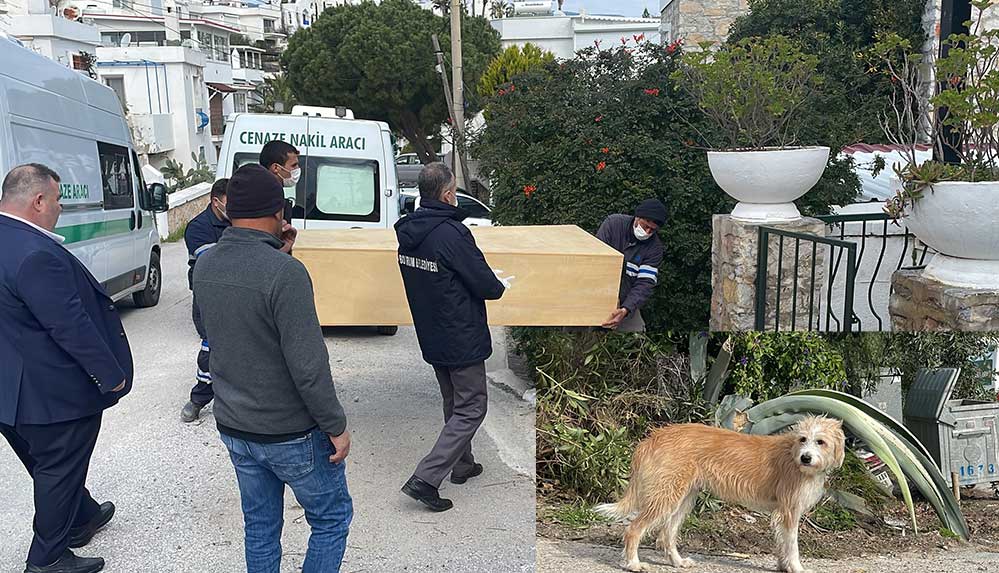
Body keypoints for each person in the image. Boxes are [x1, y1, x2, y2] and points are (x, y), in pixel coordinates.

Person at [193, 163, 351, 573]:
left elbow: (211, 327)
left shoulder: (206, 265)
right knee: (331, 519)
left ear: (229, 210)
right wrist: (336, 426)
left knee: (260, 528)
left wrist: (279, 257)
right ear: (279, 213)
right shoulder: (286, 274)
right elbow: (309, 366)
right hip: (290, 432)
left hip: (236, 428)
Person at [0, 164, 132, 573]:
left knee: (47, 460)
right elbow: (69, 325)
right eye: (57, 200)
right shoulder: (35, 252)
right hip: (47, 393)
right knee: (58, 465)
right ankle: (48, 558)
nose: (60, 208)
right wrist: (110, 375)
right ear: (38, 201)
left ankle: (83, 515)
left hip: (10, 390)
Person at [395, 162, 507, 512]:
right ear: (447, 194)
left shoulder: (408, 232)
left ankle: (462, 464)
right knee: (472, 406)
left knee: (453, 401)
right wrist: (499, 284)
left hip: (432, 331)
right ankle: (426, 478)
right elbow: (487, 285)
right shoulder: (452, 234)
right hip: (461, 334)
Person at [180, 178, 230, 423]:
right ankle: (199, 398)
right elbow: (215, 262)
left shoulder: (234, 223)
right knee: (211, 348)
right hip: (208, 298)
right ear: (216, 201)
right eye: (231, 203)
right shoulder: (198, 227)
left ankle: (232, 395)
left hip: (235, 294)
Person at [596, 198, 666, 332]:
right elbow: (598, 262)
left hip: (625, 301)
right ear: (637, 217)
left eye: (652, 230)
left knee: (637, 333)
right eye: (645, 226)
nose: (647, 232)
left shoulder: (655, 248)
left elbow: (645, 283)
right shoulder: (613, 224)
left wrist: (625, 309)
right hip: (594, 294)